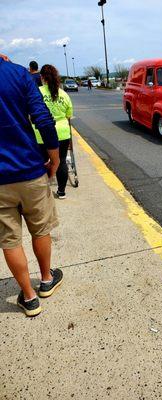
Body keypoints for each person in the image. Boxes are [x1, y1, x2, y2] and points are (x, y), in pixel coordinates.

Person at [0, 55, 63, 317]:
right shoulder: (17, 73)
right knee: (40, 229)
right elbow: (43, 119)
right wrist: (54, 155)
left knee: (9, 239)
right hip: (28, 168)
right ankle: (46, 280)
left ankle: (29, 297)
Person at [34, 64, 73, 199]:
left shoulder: (37, 92)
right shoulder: (64, 94)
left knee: (41, 161)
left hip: (41, 133)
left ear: (42, 77)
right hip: (62, 132)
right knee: (61, 161)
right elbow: (69, 115)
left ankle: (42, 192)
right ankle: (61, 191)